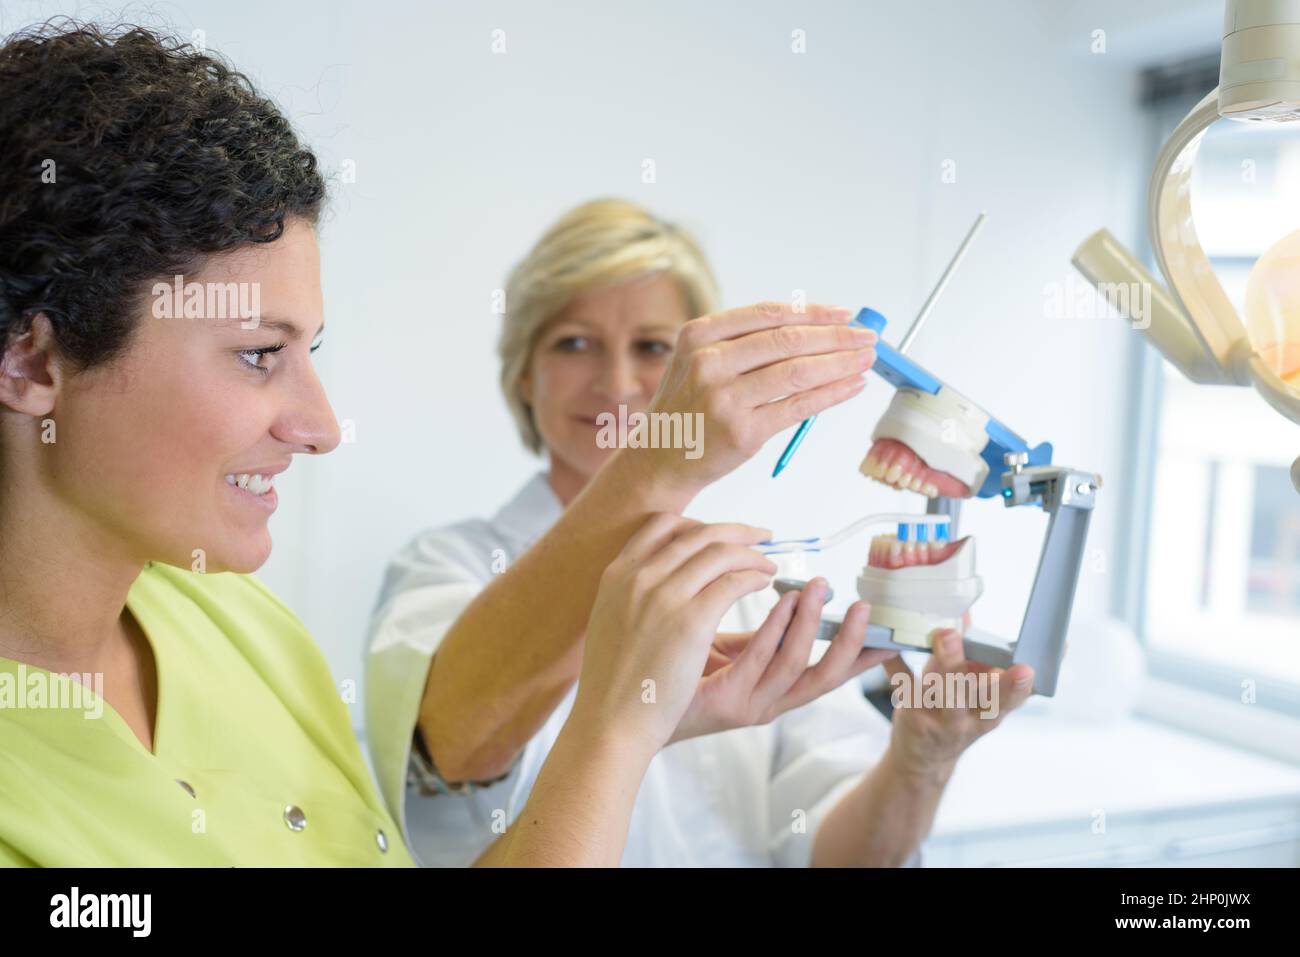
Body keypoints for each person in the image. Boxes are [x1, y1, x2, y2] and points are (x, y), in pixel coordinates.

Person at [0, 20, 788, 868]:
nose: (321, 426)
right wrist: (615, 729)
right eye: (260, 353)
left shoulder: (237, 624)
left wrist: (625, 726)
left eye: (311, 350)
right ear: (34, 362)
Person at [366, 199, 1036, 867]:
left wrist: (919, 766)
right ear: (523, 374)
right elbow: (452, 745)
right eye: (573, 342)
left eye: (653, 348)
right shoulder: (445, 566)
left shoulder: (755, 588)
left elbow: (834, 852)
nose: (617, 383)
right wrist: (659, 457)